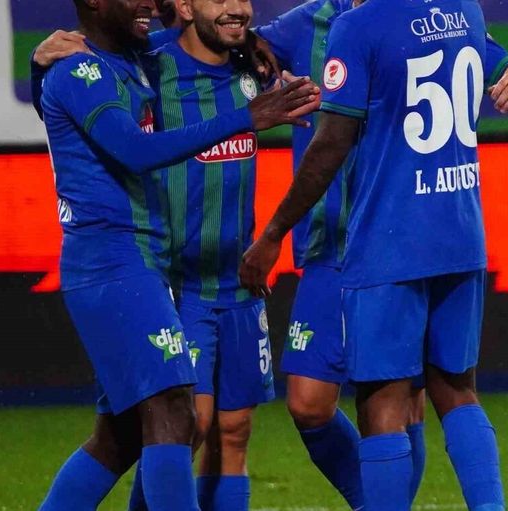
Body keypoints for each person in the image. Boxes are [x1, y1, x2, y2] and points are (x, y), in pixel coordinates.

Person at [239, 0, 508, 510]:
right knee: (455, 389)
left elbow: (332, 143)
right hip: (457, 233)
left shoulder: (357, 26)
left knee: (384, 402)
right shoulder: (462, 10)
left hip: (386, 240)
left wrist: (274, 230)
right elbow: (245, 44)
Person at [35, 0, 319, 509]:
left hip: (141, 259)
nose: (150, 2)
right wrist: (247, 117)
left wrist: (254, 42)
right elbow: (135, 150)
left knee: (122, 435)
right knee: (174, 413)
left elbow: (201, 36)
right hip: (112, 260)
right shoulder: (80, 70)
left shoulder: (133, 57)